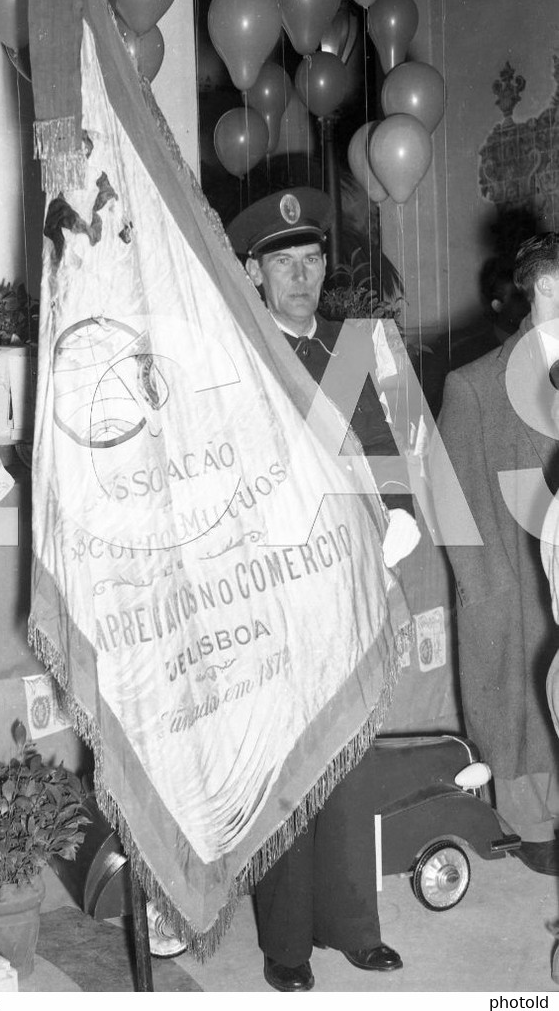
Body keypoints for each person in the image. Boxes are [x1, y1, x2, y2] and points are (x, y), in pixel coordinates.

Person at [227, 187, 419, 993]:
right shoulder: (238, 356)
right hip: (274, 590)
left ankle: (352, 926)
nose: (301, 277)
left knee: (349, 754)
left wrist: (397, 522)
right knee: (287, 761)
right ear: (253, 271)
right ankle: (286, 942)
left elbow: (380, 450)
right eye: (283, 262)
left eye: (310, 260)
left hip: (346, 586)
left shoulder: (344, 349)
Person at [433, 232, 559, 876]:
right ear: (537, 290)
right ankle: (532, 821)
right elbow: (453, 506)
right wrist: (485, 591)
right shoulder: (474, 386)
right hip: (518, 578)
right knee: (522, 701)